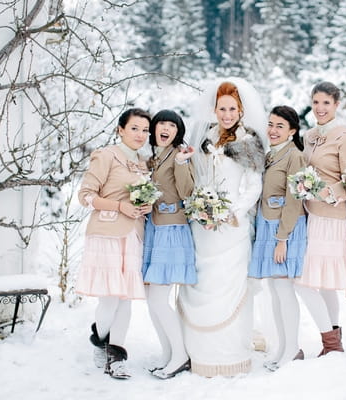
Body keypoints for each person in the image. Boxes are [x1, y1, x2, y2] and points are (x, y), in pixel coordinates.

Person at [177, 79, 267, 377]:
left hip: (232, 224)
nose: (227, 114)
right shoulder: (205, 138)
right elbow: (199, 176)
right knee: (203, 283)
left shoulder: (248, 141)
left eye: (232, 109)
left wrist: (234, 211)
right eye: (222, 108)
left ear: (241, 110)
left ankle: (228, 353)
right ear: (214, 110)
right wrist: (202, 206)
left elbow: (254, 185)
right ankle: (199, 351)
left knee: (228, 285)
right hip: (204, 223)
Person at [75, 108, 153, 379]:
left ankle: (116, 357)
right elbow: (85, 195)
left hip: (133, 234)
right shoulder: (106, 155)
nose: (141, 135)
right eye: (135, 128)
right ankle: (99, 338)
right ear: (121, 129)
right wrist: (120, 205)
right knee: (110, 299)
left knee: (126, 298)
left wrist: (144, 206)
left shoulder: (144, 162)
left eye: (145, 130)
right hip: (107, 233)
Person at [295, 82, 346, 356]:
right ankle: (333, 343)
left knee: (306, 282)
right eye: (316, 102)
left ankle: (331, 342)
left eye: (326, 103)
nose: (320, 108)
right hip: (308, 214)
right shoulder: (309, 135)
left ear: (336, 105)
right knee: (321, 282)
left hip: (330, 217)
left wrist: (326, 192)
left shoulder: (345, 137)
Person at [248, 105, 306, 371]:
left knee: (284, 290)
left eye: (280, 126)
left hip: (285, 229)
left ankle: (293, 348)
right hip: (267, 225)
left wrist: (283, 238)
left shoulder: (295, 156)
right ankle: (283, 347)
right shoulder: (271, 155)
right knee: (274, 291)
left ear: (292, 131)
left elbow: (295, 199)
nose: (272, 130)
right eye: (270, 124)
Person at [142, 109, 196, 379]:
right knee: (153, 301)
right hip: (154, 228)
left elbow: (187, 192)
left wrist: (184, 163)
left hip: (172, 229)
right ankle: (168, 354)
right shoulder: (153, 158)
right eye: (161, 123)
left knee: (159, 299)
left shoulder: (179, 155)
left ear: (178, 131)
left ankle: (180, 356)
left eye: (171, 125)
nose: (165, 128)